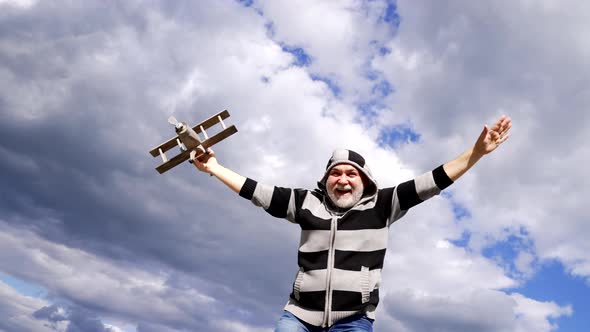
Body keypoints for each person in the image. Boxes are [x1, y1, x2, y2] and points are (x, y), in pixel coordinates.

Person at [192, 115, 512, 331]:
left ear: (364, 180)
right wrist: (215, 168)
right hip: (299, 317)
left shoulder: (383, 205)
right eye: (336, 172)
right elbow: (256, 191)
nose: (343, 179)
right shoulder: (306, 203)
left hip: (353, 321)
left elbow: (434, 180)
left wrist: (477, 153)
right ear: (326, 179)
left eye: (351, 173)